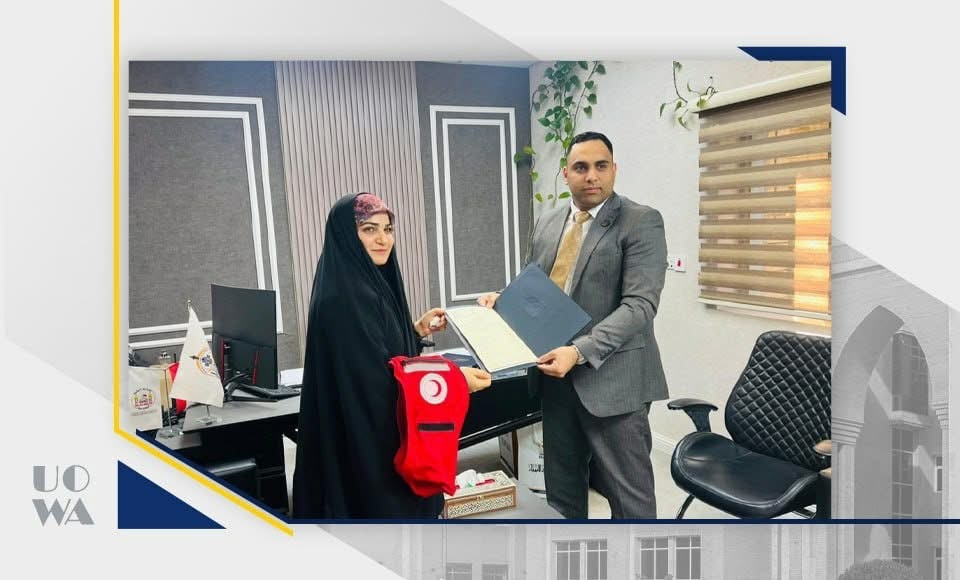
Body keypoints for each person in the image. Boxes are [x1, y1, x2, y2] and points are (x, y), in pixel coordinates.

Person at [478, 132, 668, 519]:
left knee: (630, 500)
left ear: (614, 170)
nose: (591, 175)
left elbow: (640, 305)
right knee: (562, 493)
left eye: (601, 166)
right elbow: (535, 289)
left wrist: (579, 351)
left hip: (614, 380)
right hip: (555, 378)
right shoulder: (549, 222)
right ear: (566, 174)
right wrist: (502, 299)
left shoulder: (640, 221)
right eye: (581, 167)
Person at [292, 192, 492, 519]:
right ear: (347, 235)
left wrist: (415, 331)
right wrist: (455, 380)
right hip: (371, 454)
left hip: (363, 441)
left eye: (387, 229)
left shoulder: (357, 282)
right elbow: (376, 382)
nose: (383, 240)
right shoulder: (346, 299)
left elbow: (377, 353)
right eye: (368, 229)